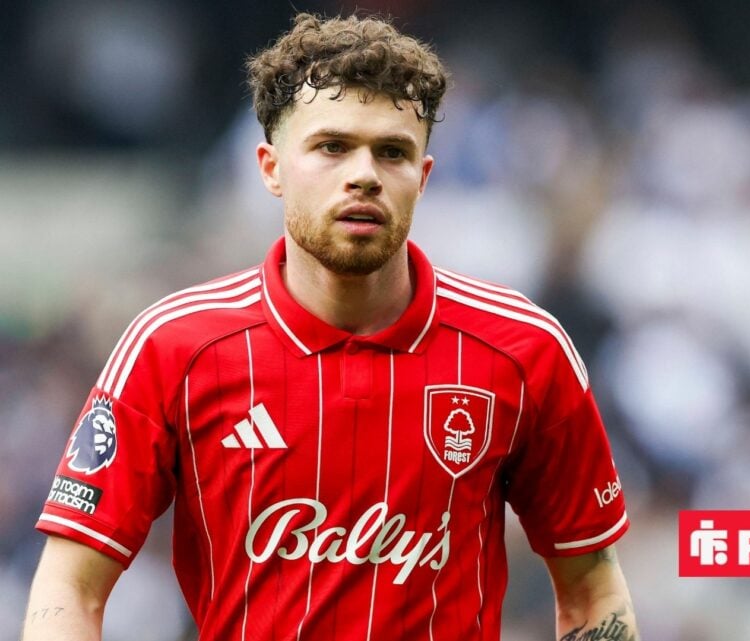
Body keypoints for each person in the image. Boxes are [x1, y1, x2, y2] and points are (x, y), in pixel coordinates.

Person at [23, 13, 637, 641]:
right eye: (332, 146)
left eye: (392, 152)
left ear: (422, 179)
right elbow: (70, 586)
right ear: (271, 168)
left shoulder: (523, 349)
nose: (365, 173)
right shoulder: (172, 346)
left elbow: (593, 593)